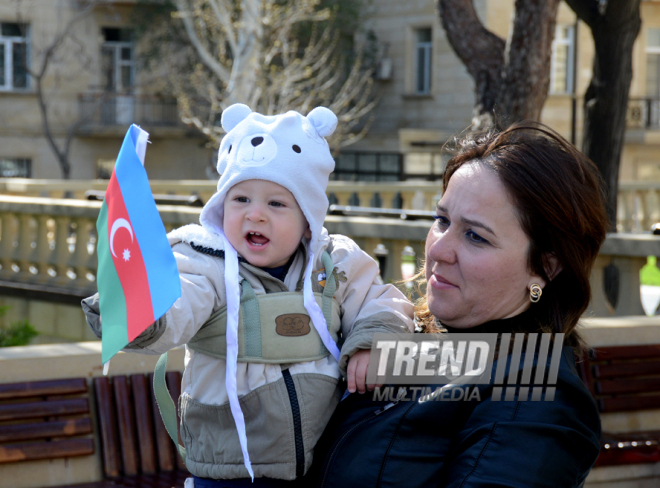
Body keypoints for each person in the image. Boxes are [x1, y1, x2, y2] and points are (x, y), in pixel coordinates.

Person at [81, 104, 413, 486]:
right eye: (240, 200)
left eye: (276, 203)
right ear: (221, 207)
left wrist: (372, 342)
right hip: (230, 466)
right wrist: (135, 309)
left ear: (308, 221)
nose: (255, 215)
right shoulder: (205, 264)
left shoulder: (333, 263)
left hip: (323, 460)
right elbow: (180, 304)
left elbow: (381, 300)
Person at [307, 121, 607, 487]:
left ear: (546, 266)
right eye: (441, 220)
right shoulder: (404, 332)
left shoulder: (537, 395)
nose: (437, 249)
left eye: (475, 236)